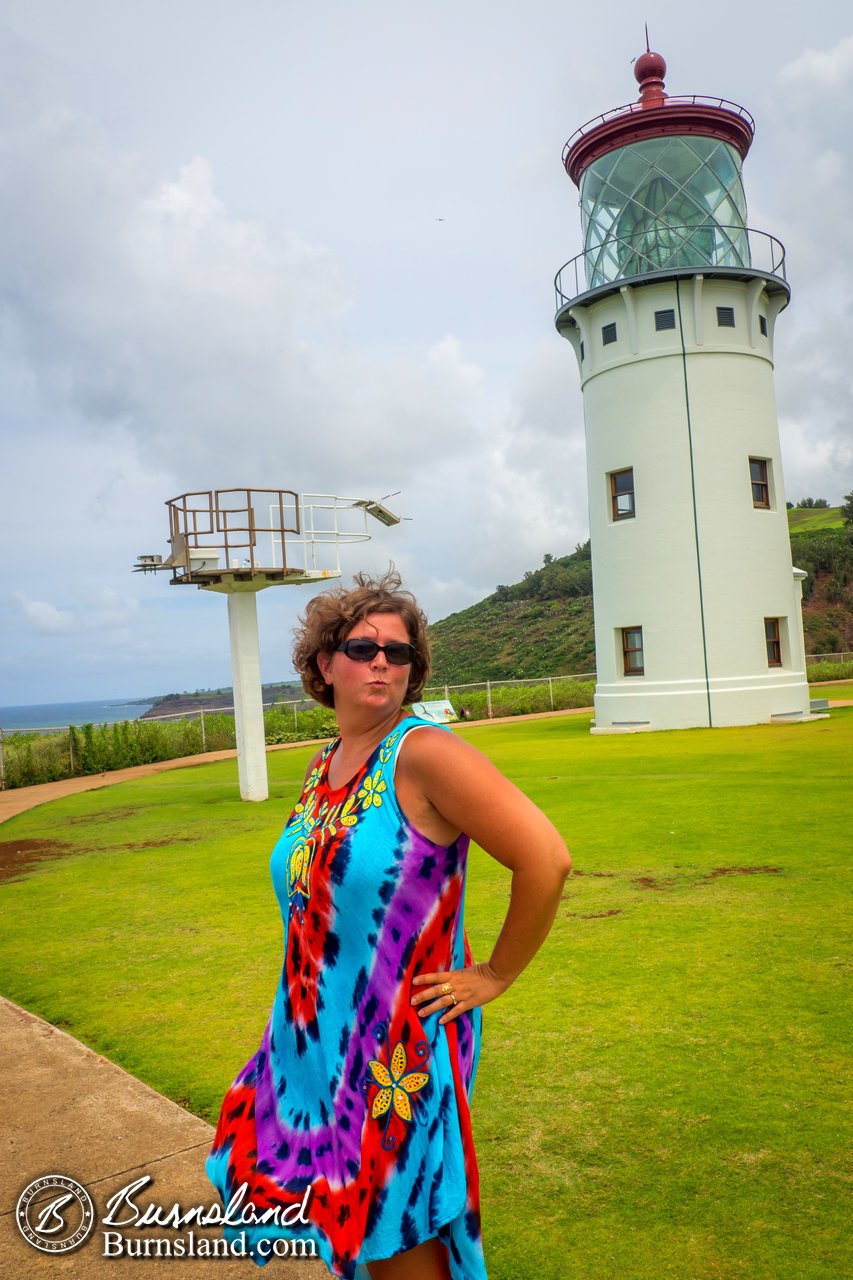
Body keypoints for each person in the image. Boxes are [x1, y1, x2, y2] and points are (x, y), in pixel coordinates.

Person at [206, 570, 571, 1280]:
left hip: (396, 1049)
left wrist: (495, 973)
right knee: (346, 1224)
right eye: (362, 646)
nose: (381, 661)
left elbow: (545, 859)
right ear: (324, 664)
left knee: (392, 1228)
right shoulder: (324, 766)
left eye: (398, 653)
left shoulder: (423, 753)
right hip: (314, 1038)